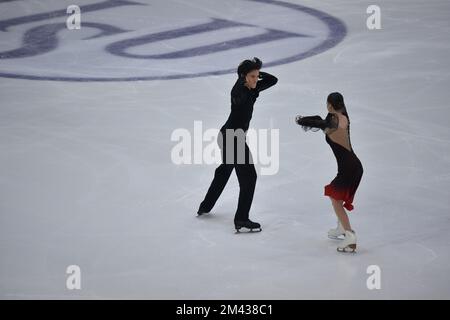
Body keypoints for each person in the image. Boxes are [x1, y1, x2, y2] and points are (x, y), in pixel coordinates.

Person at [197, 57, 278, 232]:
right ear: (243, 77)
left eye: (257, 76)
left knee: (224, 170)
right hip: (233, 139)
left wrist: (256, 73)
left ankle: (205, 206)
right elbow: (238, 97)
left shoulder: (254, 88)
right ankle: (241, 218)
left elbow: (273, 80)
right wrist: (244, 81)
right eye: (252, 76)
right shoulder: (239, 92)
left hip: (227, 135)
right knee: (249, 178)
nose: (256, 80)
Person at [295, 92, 363, 252]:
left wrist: (301, 120)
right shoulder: (343, 116)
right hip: (355, 166)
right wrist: (311, 121)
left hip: (348, 169)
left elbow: (322, 123)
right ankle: (341, 227)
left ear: (330, 105)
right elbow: (323, 121)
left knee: (334, 197)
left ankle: (349, 235)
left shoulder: (332, 123)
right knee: (337, 199)